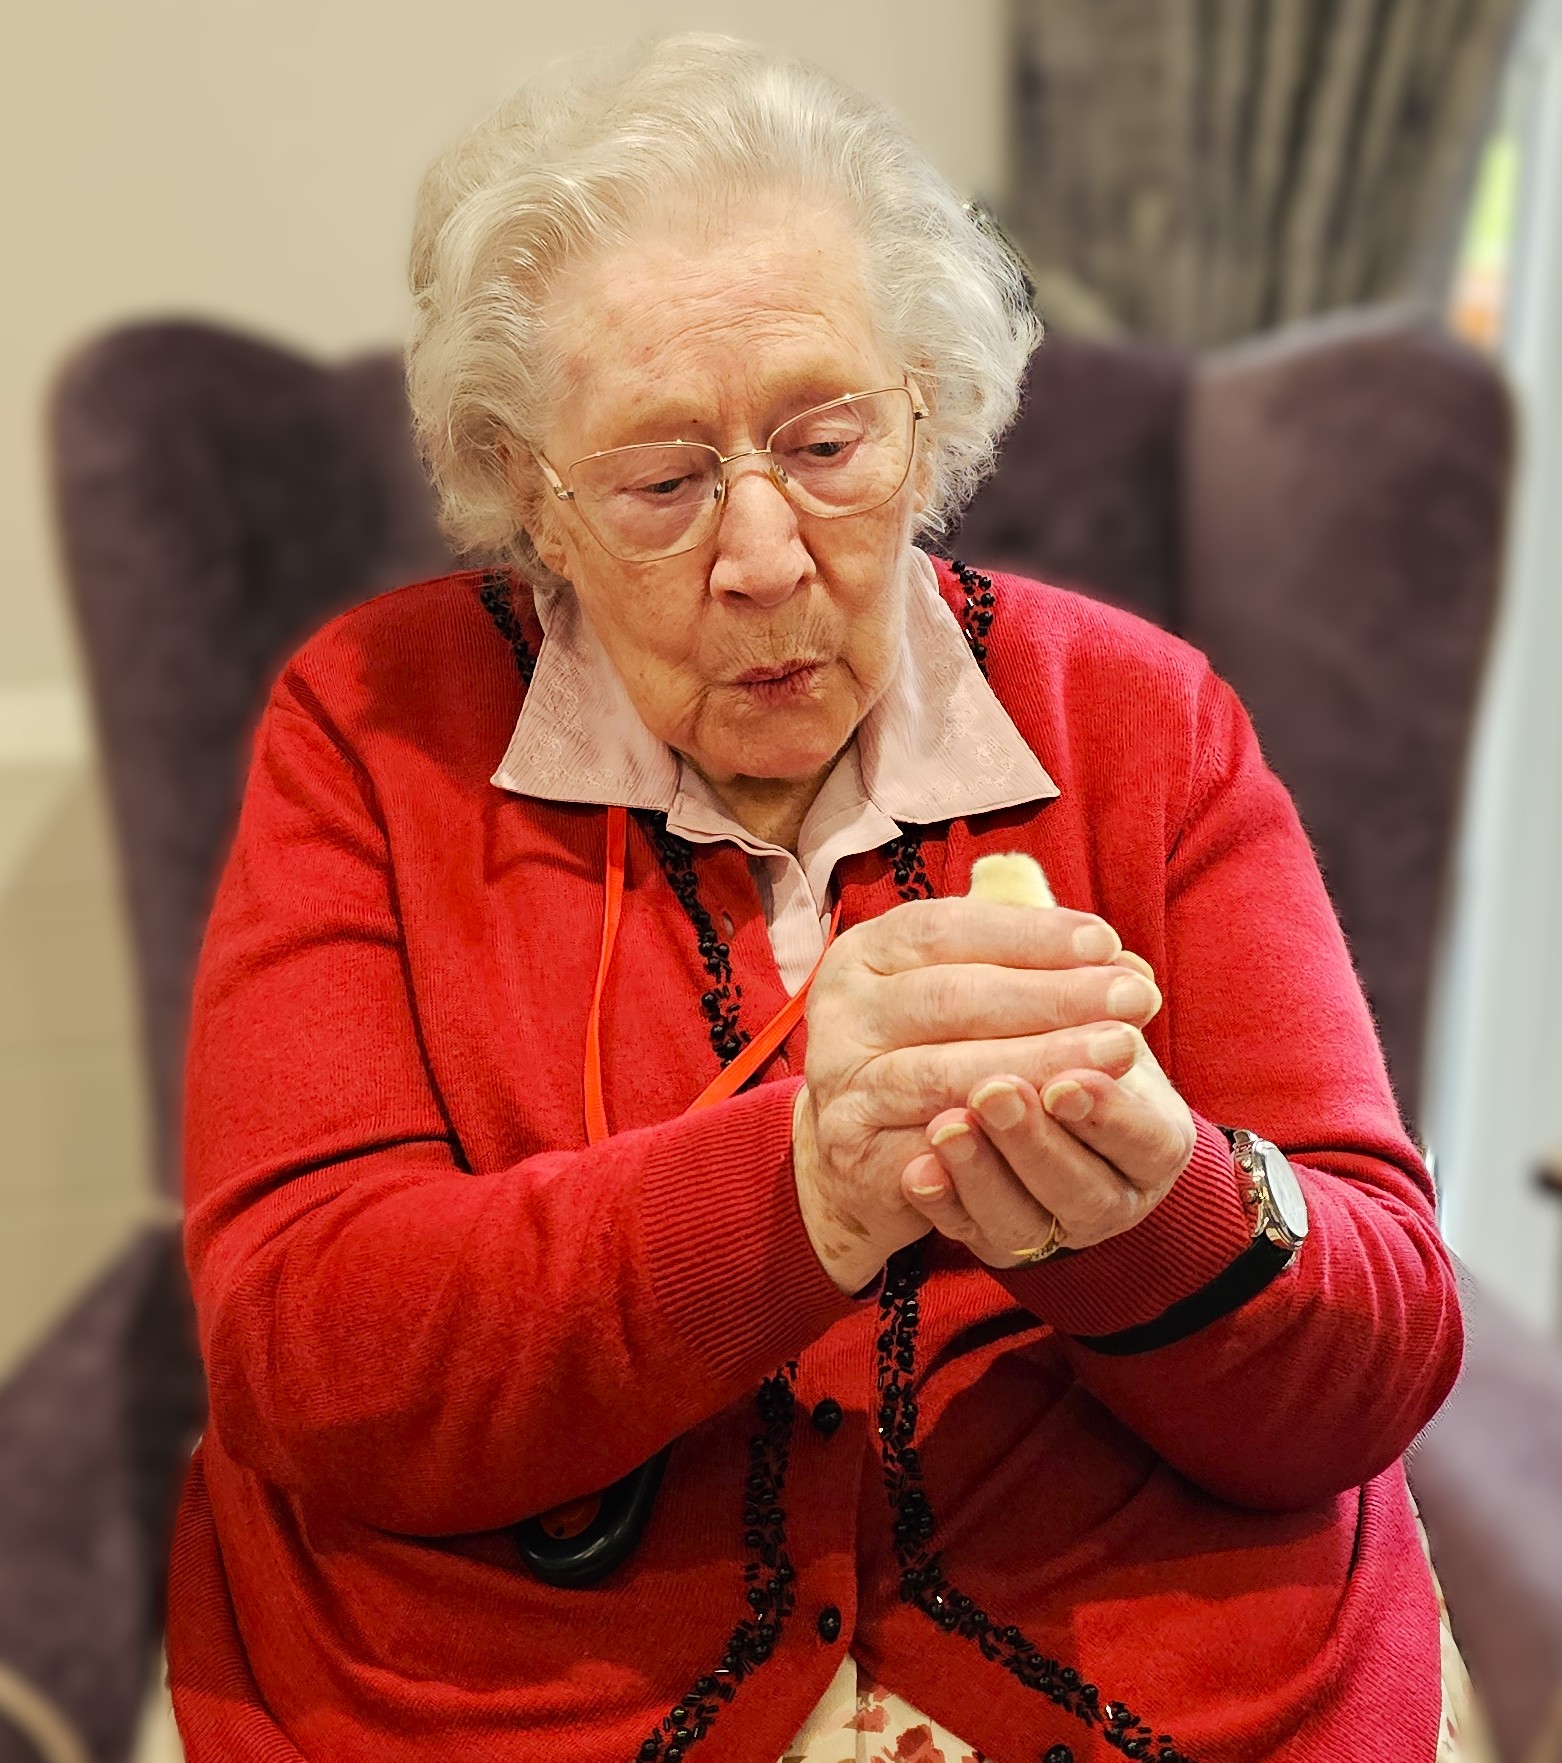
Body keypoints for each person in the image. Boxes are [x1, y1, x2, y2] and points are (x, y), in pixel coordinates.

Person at [165, 34, 1470, 1763]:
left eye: (828, 442)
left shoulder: (1142, 723)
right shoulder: (370, 730)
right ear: (532, 496)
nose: (767, 554)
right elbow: (308, 1352)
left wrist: (1165, 1204)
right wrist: (800, 1185)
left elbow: (1378, 1344)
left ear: (927, 415)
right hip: (526, 1693)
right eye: (661, 483)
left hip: (1129, 1674)